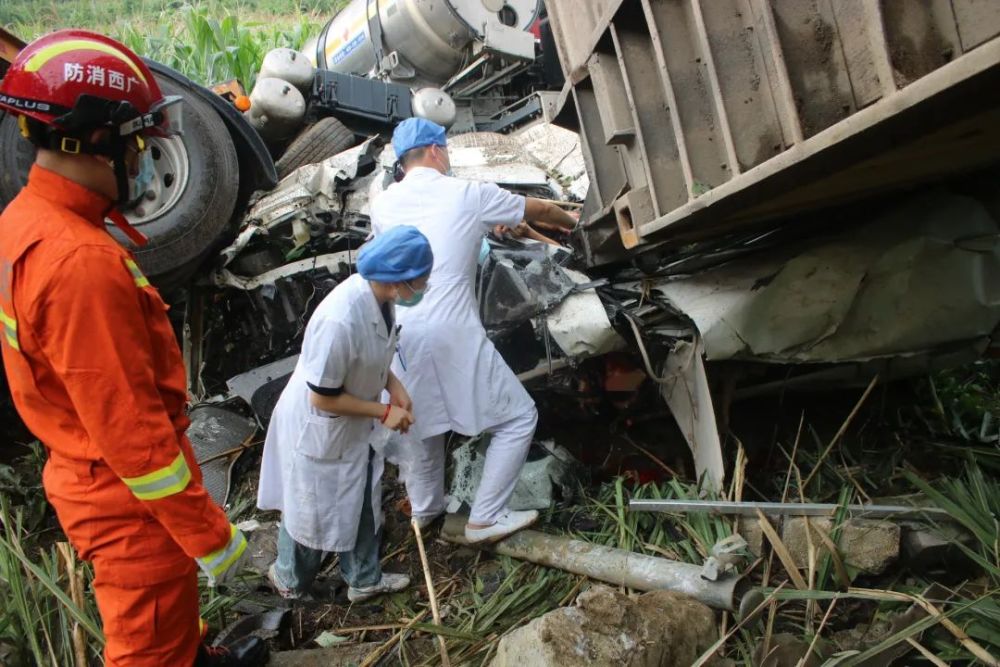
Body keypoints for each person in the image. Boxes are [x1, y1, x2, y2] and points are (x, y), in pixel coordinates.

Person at [0, 30, 263, 666]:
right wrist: (210, 535)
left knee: (171, 624)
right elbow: (136, 440)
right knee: (147, 649)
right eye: (138, 141)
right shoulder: (80, 264)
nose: (145, 157)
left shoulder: (27, 221)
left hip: (94, 477)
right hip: (128, 507)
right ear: (95, 140)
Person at [371, 118, 578, 543]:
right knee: (519, 417)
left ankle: (427, 512)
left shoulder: (382, 204)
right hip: (453, 329)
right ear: (435, 151)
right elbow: (535, 210)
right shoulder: (465, 191)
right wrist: (573, 220)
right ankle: (485, 517)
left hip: (402, 333)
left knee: (421, 426)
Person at [257, 225, 433, 601]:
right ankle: (289, 580)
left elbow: (372, 356)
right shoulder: (340, 320)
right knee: (311, 508)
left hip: (353, 421)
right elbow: (322, 397)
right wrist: (383, 410)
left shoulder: (381, 298)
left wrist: (393, 385)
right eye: (421, 280)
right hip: (321, 423)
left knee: (362, 496)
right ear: (399, 279)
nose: (424, 287)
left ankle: (364, 579)